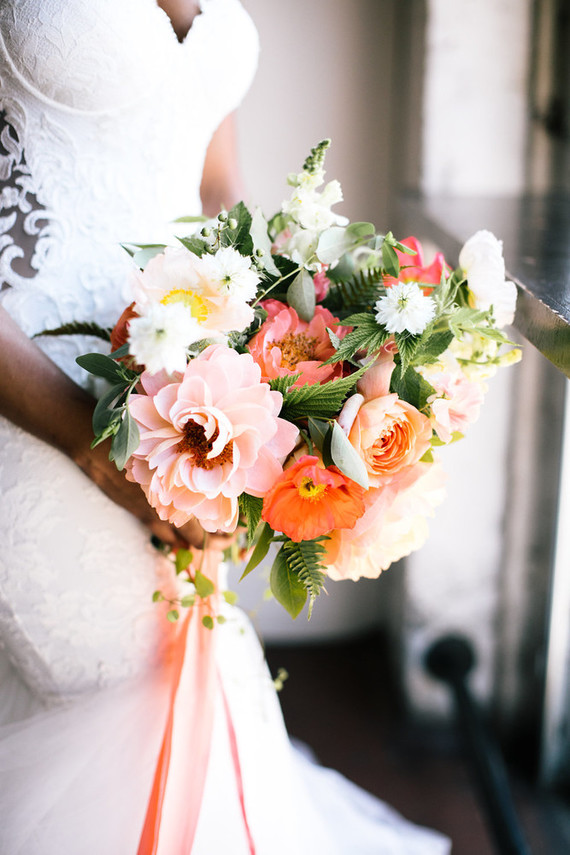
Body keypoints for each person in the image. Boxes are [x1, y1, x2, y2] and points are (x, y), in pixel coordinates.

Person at [0, 1, 451, 852]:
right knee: (104, 690)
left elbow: (213, 188)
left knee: (179, 674)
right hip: (32, 392)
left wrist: (289, 352)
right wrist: (90, 447)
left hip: (191, 392)